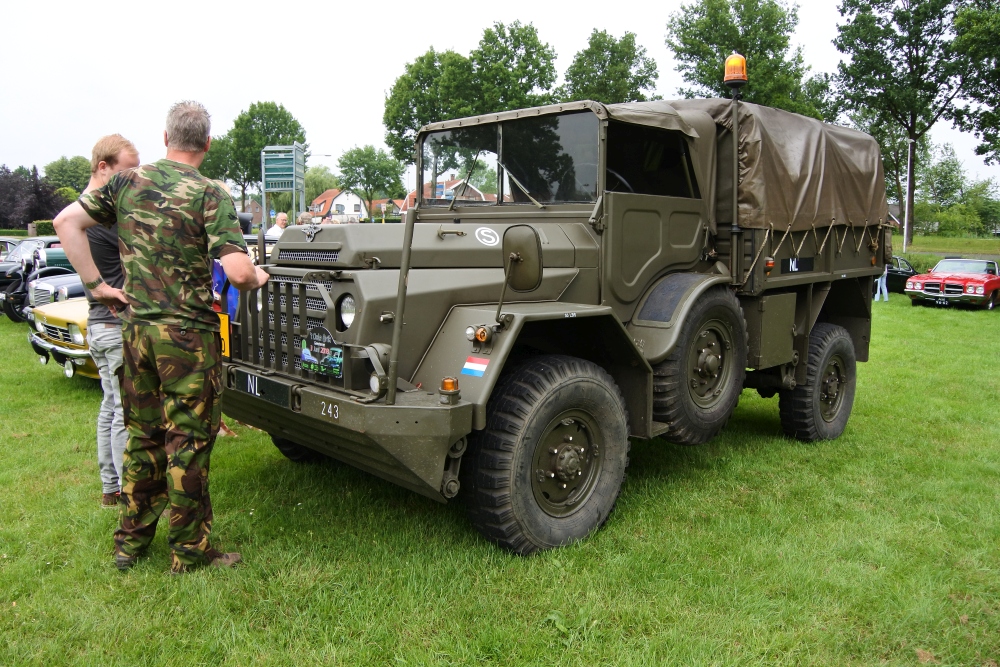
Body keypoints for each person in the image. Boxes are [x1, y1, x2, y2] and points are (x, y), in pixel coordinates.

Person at [53, 100, 270, 574]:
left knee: (143, 437)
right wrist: (259, 276)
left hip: (136, 334)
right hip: (188, 339)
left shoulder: (127, 182)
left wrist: (96, 286)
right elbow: (235, 269)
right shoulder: (210, 192)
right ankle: (190, 551)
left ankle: (129, 545)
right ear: (207, 144)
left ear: (166, 138)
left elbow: (65, 222)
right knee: (188, 442)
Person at [83, 134, 141, 509]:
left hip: (97, 324)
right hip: (114, 324)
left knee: (109, 406)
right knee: (125, 412)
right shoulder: (102, 218)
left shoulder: (83, 216)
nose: (134, 180)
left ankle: (110, 488)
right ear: (104, 168)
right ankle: (127, 492)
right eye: (127, 171)